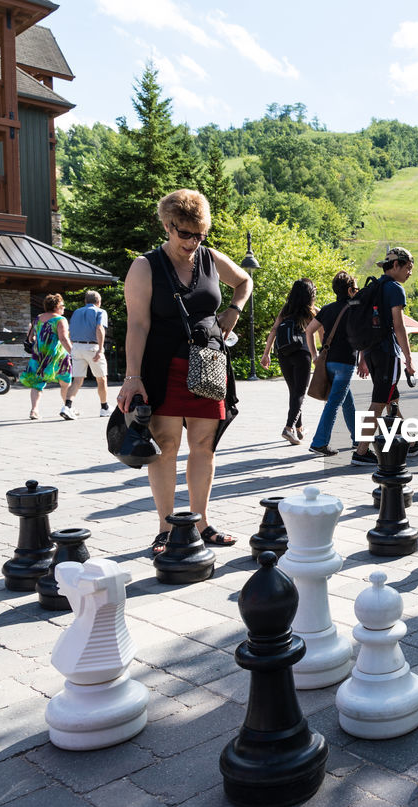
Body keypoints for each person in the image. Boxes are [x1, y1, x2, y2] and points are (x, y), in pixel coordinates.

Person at [117, 189, 253, 555]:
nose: (193, 242)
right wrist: (133, 377)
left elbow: (245, 281)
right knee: (167, 448)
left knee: (204, 447)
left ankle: (201, 522)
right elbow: (138, 326)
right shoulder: (145, 267)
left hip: (208, 366)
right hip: (162, 368)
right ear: (167, 225)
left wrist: (234, 309)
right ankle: (166, 529)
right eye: (185, 234)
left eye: (199, 234)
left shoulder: (210, 258)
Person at [351, 246, 417, 466]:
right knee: (378, 403)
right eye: (408, 267)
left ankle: (411, 441)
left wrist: (363, 357)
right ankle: (361, 452)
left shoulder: (375, 286)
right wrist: (408, 358)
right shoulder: (395, 289)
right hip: (388, 352)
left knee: (391, 398)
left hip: (371, 351)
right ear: (396, 265)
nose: (410, 272)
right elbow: (399, 326)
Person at [305, 271, 360, 456]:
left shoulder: (327, 309)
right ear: (351, 289)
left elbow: (309, 331)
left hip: (327, 362)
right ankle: (319, 442)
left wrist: (314, 355)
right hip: (346, 362)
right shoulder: (355, 308)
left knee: (347, 402)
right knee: (334, 403)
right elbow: (365, 336)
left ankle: (358, 438)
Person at [261, 278, 317, 446]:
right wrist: (318, 355)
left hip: (284, 353)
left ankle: (298, 430)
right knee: (299, 393)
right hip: (302, 353)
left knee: (294, 392)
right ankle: (288, 428)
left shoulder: (286, 309)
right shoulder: (310, 311)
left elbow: (274, 329)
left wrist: (266, 354)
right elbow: (321, 326)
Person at [21, 293, 74, 420]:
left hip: (39, 355)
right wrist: (73, 353)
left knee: (37, 383)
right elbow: (63, 339)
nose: (64, 308)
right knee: (65, 382)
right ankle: (67, 408)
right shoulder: (60, 320)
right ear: (56, 306)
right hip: (57, 356)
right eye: (62, 305)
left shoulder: (38, 318)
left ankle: (34, 410)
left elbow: (30, 337)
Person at [65, 290, 110, 418]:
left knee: (77, 380)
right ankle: (104, 407)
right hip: (92, 347)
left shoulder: (76, 312)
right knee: (101, 378)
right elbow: (99, 328)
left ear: (85, 301)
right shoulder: (101, 312)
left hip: (77, 347)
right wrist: (100, 349)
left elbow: (70, 330)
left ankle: (67, 406)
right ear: (99, 302)